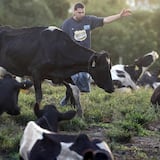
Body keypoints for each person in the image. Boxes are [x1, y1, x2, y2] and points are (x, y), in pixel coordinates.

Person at [60, 2, 132, 105]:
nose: (81, 14)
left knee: (84, 77)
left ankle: (79, 98)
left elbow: (105, 20)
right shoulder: (67, 24)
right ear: (74, 12)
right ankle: (69, 101)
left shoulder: (88, 20)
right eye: (79, 12)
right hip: (73, 58)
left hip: (86, 57)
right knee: (75, 79)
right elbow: (63, 41)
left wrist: (119, 15)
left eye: (83, 12)